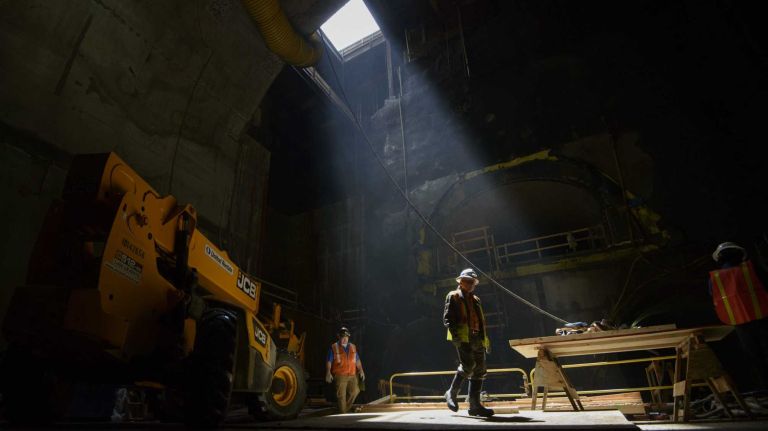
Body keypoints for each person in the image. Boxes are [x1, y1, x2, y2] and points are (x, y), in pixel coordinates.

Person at [709, 242, 768, 390]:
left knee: (755, 357)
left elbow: (714, 297)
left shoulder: (715, 279)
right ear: (740, 255)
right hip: (763, 317)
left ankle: (764, 389)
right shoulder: (753, 270)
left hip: (739, 322)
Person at [442, 268, 494, 417]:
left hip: (478, 337)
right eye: (469, 282)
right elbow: (448, 319)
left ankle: (475, 406)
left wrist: (486, 341)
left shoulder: (476, 299)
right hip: (463, 337)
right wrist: (456, 336)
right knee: (468, 366)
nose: (471, 285)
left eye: (473, 283)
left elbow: (480, 321)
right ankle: (451, 393)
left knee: (480, 370)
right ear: (461, 281)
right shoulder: (453, 296)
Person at [325, 327, 365, 413]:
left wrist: (361, 370)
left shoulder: (353, 347)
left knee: (355, 391)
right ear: (339, 337)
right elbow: (329, 361)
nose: (344, 339)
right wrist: (328, 372)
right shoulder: (334, 347)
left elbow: (357, 360)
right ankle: (343, 411)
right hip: (340, 376)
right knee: (341, 396)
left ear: (348, 337)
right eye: (342, 337)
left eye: (346, 337)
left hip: (352, 375)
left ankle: (343, 409)